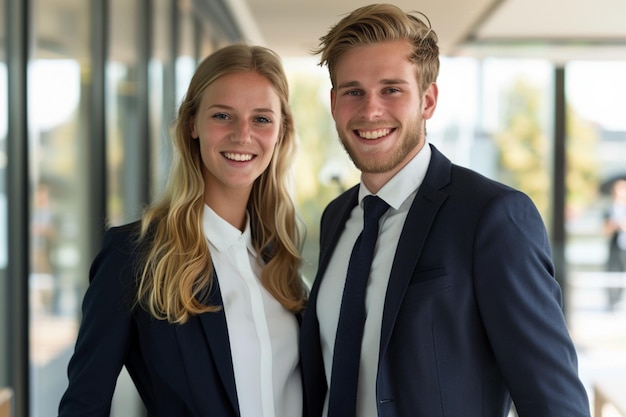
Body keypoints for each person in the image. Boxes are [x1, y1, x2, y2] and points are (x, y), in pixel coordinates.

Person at [299, 4, 591, 417]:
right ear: (333, 103)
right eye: (353, 92)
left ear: (428, 100)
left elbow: (555, 403)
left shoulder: (492, 216)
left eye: (391, 89)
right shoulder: (336, 217)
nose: (370, 110)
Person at [58, 44, 307, 417]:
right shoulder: (134, 255)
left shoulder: (282, 258)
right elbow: (83, 405)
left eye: (261, 119)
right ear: (192, 123)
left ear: (281, 131)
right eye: (223, 115)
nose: (243, 135)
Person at [604, 178, 626, 311]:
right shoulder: (610, 209)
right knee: (613, 273)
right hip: (615, 247)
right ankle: (613, 302)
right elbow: (605, 229)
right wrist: (617, 224)